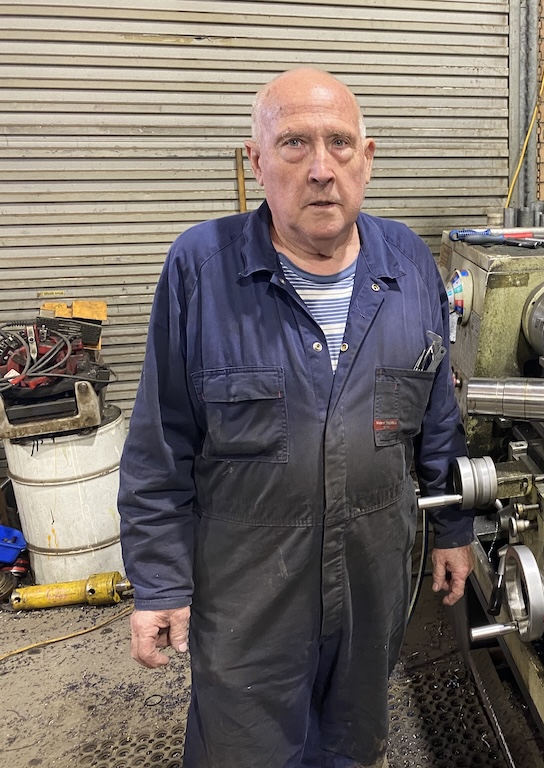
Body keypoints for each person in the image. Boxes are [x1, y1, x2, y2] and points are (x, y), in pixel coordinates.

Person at [118, 68, 475, 768]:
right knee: (244, 749)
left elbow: (437, 416)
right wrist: (159, 583)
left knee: (353, 743)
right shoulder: (201, 268)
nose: (320, 169)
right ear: (256, 162)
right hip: (250, 595)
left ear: (367, 159)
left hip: (374, 579)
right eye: (293, 144)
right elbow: (161, 442)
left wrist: (453, 527)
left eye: (339, 143)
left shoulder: (409, 263)